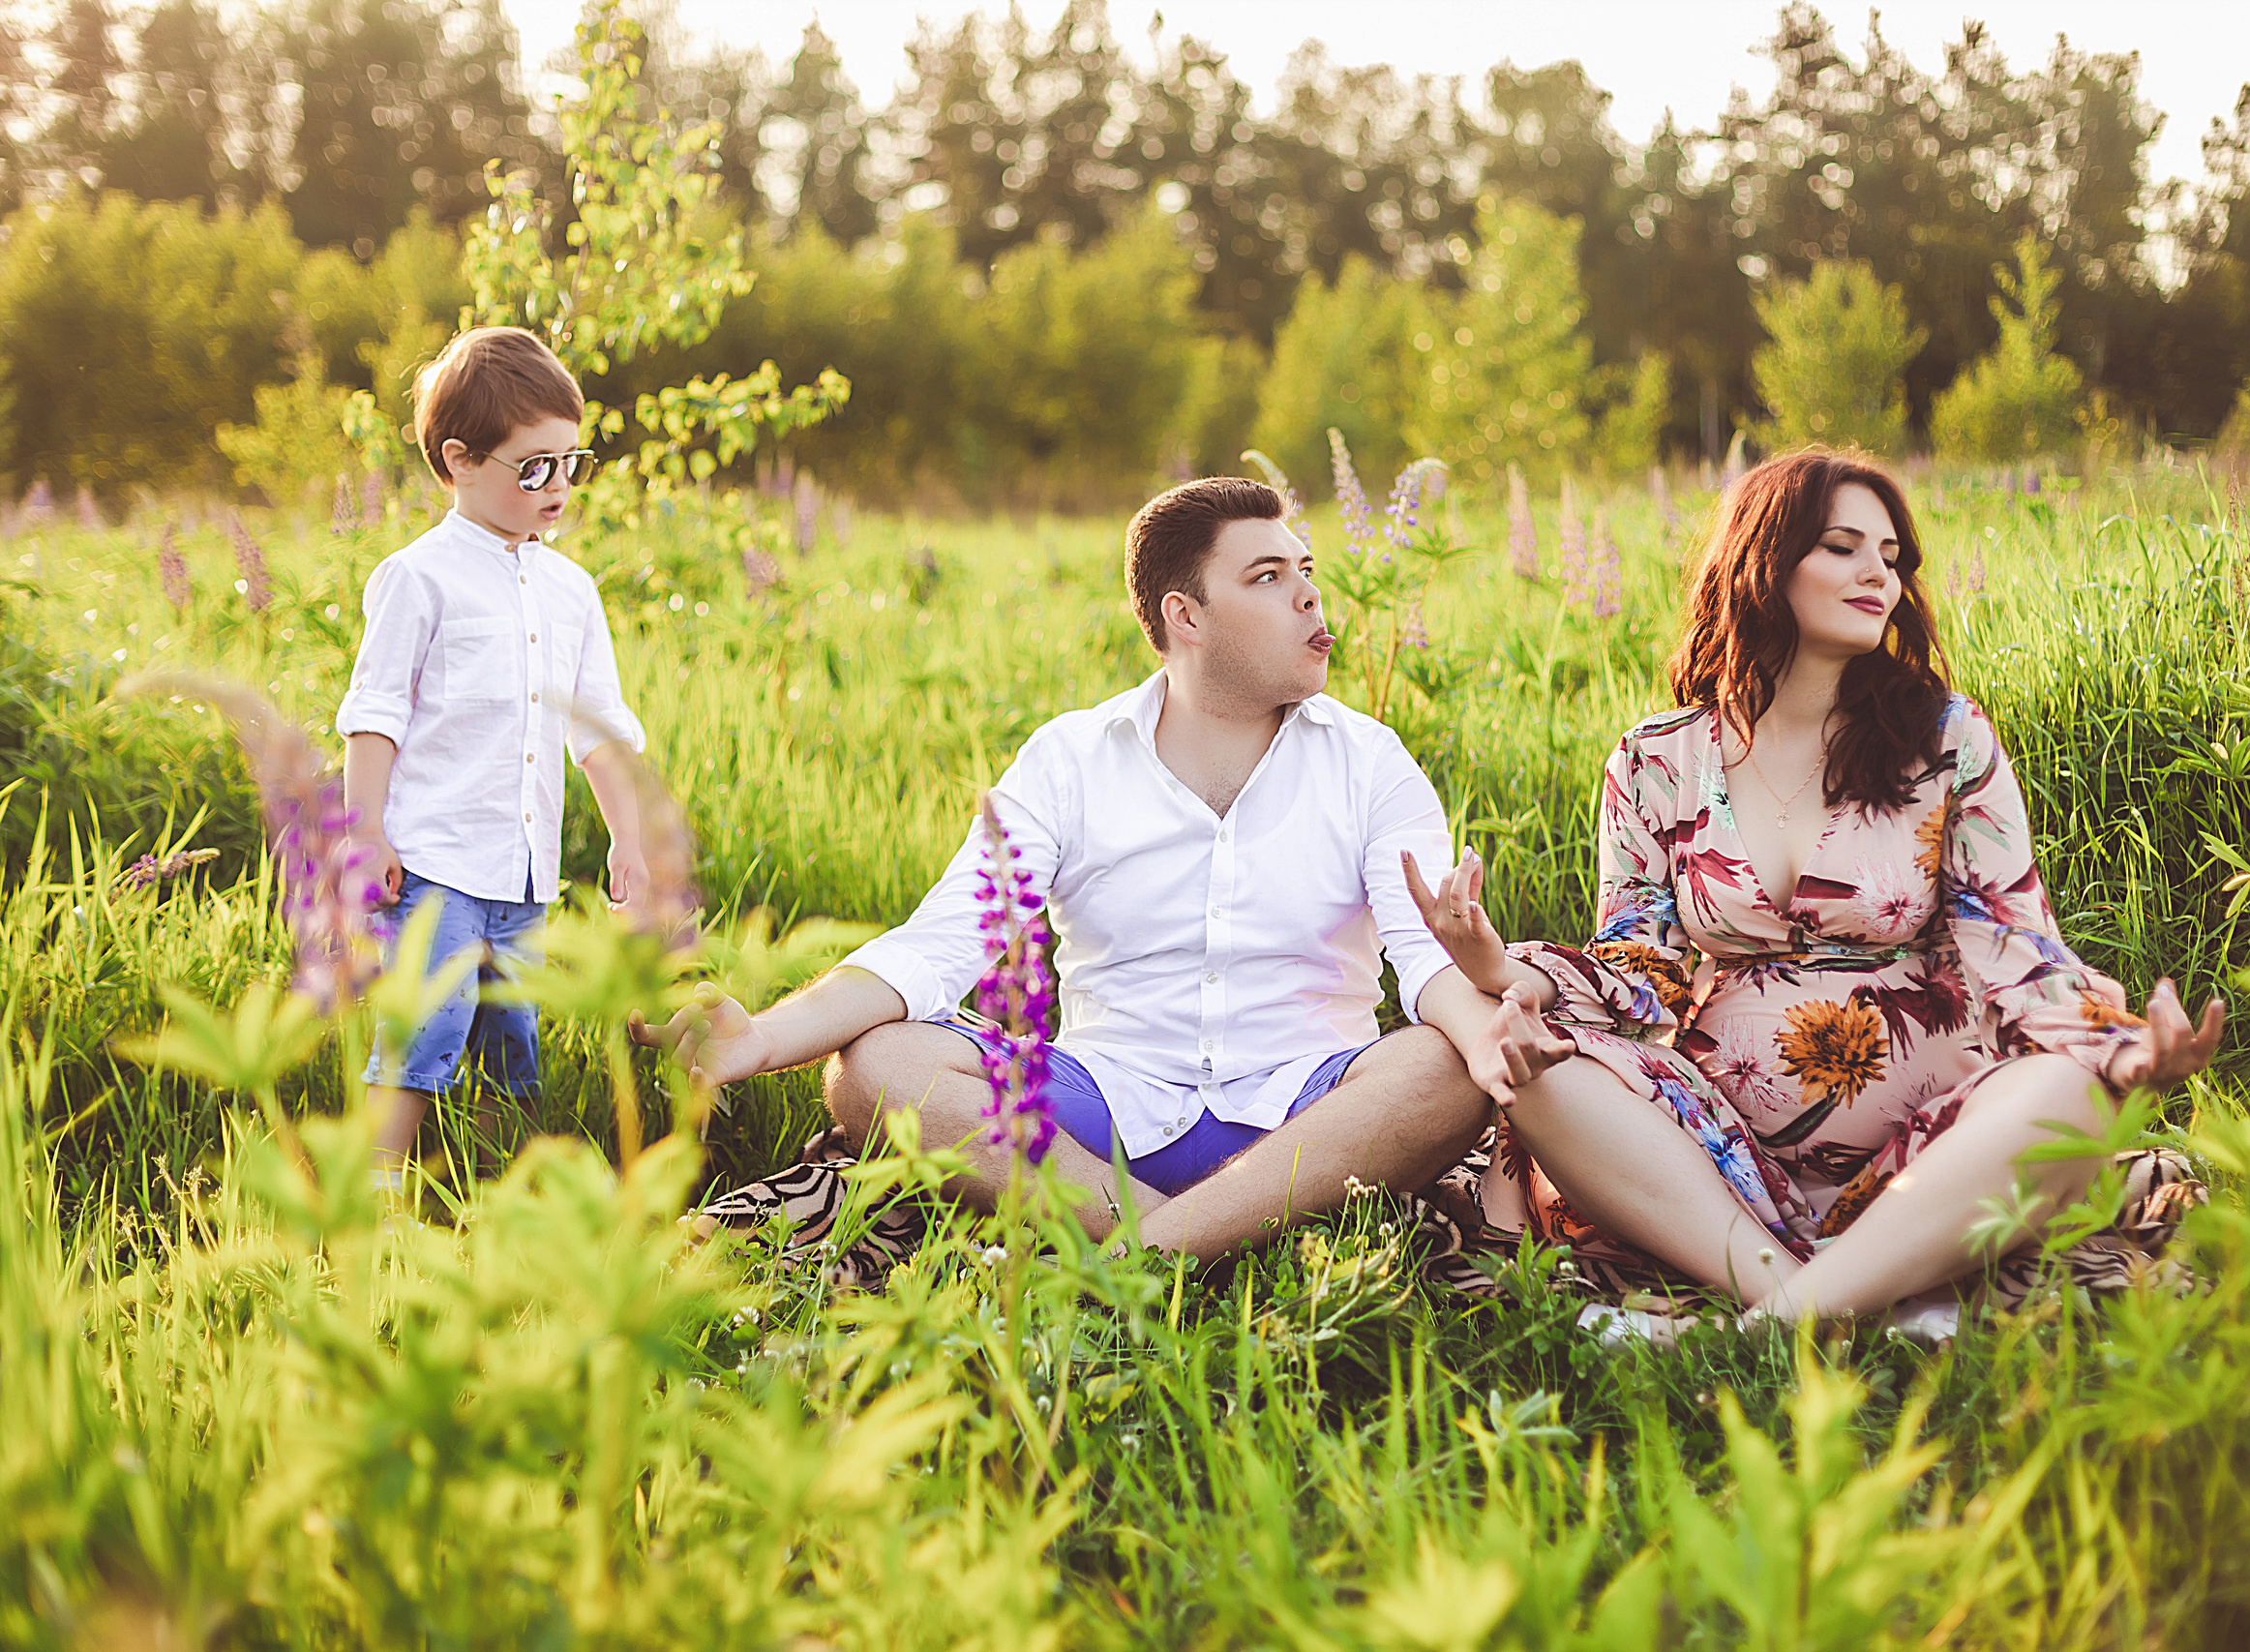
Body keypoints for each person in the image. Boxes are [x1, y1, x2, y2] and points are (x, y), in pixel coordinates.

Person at [1404, 449, 2223, 1334]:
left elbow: (2016, 941)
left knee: (2071, 1095)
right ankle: (1826, 1295)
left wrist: (2118, 1051)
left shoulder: (1944, 740)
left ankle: (1768, 1325)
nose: (1881, 571)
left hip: (1931, 1142)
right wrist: (1502, 968)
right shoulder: (1657, 759)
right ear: (1765, 559)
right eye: (1843, 546)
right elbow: (1641, 965)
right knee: (1540, 1078)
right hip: (1717, 1159)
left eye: (1892, 554)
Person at [634, 477, 1500, 1260]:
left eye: (1304, 568)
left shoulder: (1371, 761)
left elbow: (1426, 967)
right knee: (872, 1069)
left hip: (1308, 1108)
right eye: (1267, 577)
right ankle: (1189, 1238)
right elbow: (941, 945)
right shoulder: (1071, 758)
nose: (1310, 592)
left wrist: (1486, 1026)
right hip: (1106, 1108)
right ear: (1185, 616)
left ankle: (1138, 1254)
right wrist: (762, 1040)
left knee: (1445, 1066)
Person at [338, 325, 649, 1177]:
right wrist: (365, 832)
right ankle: (379, 1193)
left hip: (523, 874)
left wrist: (628, 834)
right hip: (435, 864)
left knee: (513, 1037)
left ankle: (494, 1191)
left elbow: (600, 730)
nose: (557, 486)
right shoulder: (419, 577)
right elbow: (375, 716)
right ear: (460, 460)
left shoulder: (571, 590)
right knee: (423, 1028)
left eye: (570, 462)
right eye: (534, 466)